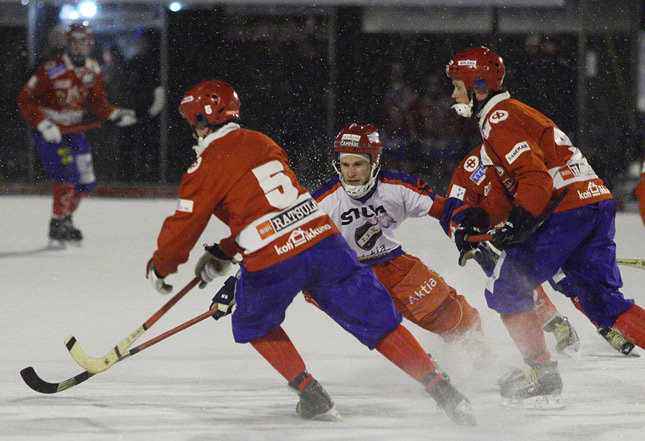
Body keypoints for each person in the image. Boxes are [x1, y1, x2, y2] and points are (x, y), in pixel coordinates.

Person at [145, 79, 476, 426]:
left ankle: (312, 394)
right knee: (377, 318)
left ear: (200, 120)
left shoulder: (205, 165)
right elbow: (273, 208)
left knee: (252, 322)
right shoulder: (261, 141)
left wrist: (161, 266)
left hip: (273, 259)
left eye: (191, 122)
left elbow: (185, 223)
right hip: (323, 241)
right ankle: (441, 389)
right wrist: (226, 251)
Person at [444, 46, 645, 408]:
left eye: (458, 86)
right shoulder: (515, 112)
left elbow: (534, 177)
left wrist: (522, 221)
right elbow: (520, 185)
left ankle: (541, 373)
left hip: (566, 208)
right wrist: (482, 219)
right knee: (605, 306)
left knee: (506, 287)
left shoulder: (497, 117)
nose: (454, 94)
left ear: (479, 86)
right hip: (594, 200)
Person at [449, 144, 635, 356]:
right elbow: (453, 213)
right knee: (515, 282)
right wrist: (473, 241)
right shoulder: (472, 168)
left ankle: (603, 323)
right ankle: (555, 325)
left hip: (535, 224)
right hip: (500, 235)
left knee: (568, 278)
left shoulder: (523, 147)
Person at [311, 123, 484, 350]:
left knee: (456, 316)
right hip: (346, 276)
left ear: (374, 163)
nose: (350, 173)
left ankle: (483, 365)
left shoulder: (397, 186)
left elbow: (443, 209)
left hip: (391, 266)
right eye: (345, 164)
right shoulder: (322, 202)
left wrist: (465, 226)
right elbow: (291, 240)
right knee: (384, 334)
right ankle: (425, 372)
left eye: (358, 164)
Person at [17, 21, 137, 243]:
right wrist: (43, 124)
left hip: (74, 131)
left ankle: (66, 219)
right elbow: (25, 99)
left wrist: (115, 114)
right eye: (74, 41)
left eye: (84, 42)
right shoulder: (51, 69)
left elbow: (98, 103)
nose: (79, 47)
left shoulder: (93, 70)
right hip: (51, 132)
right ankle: (57, 222)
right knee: (67, 174)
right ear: (67, 43)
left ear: (90, 44)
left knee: (86, 181)